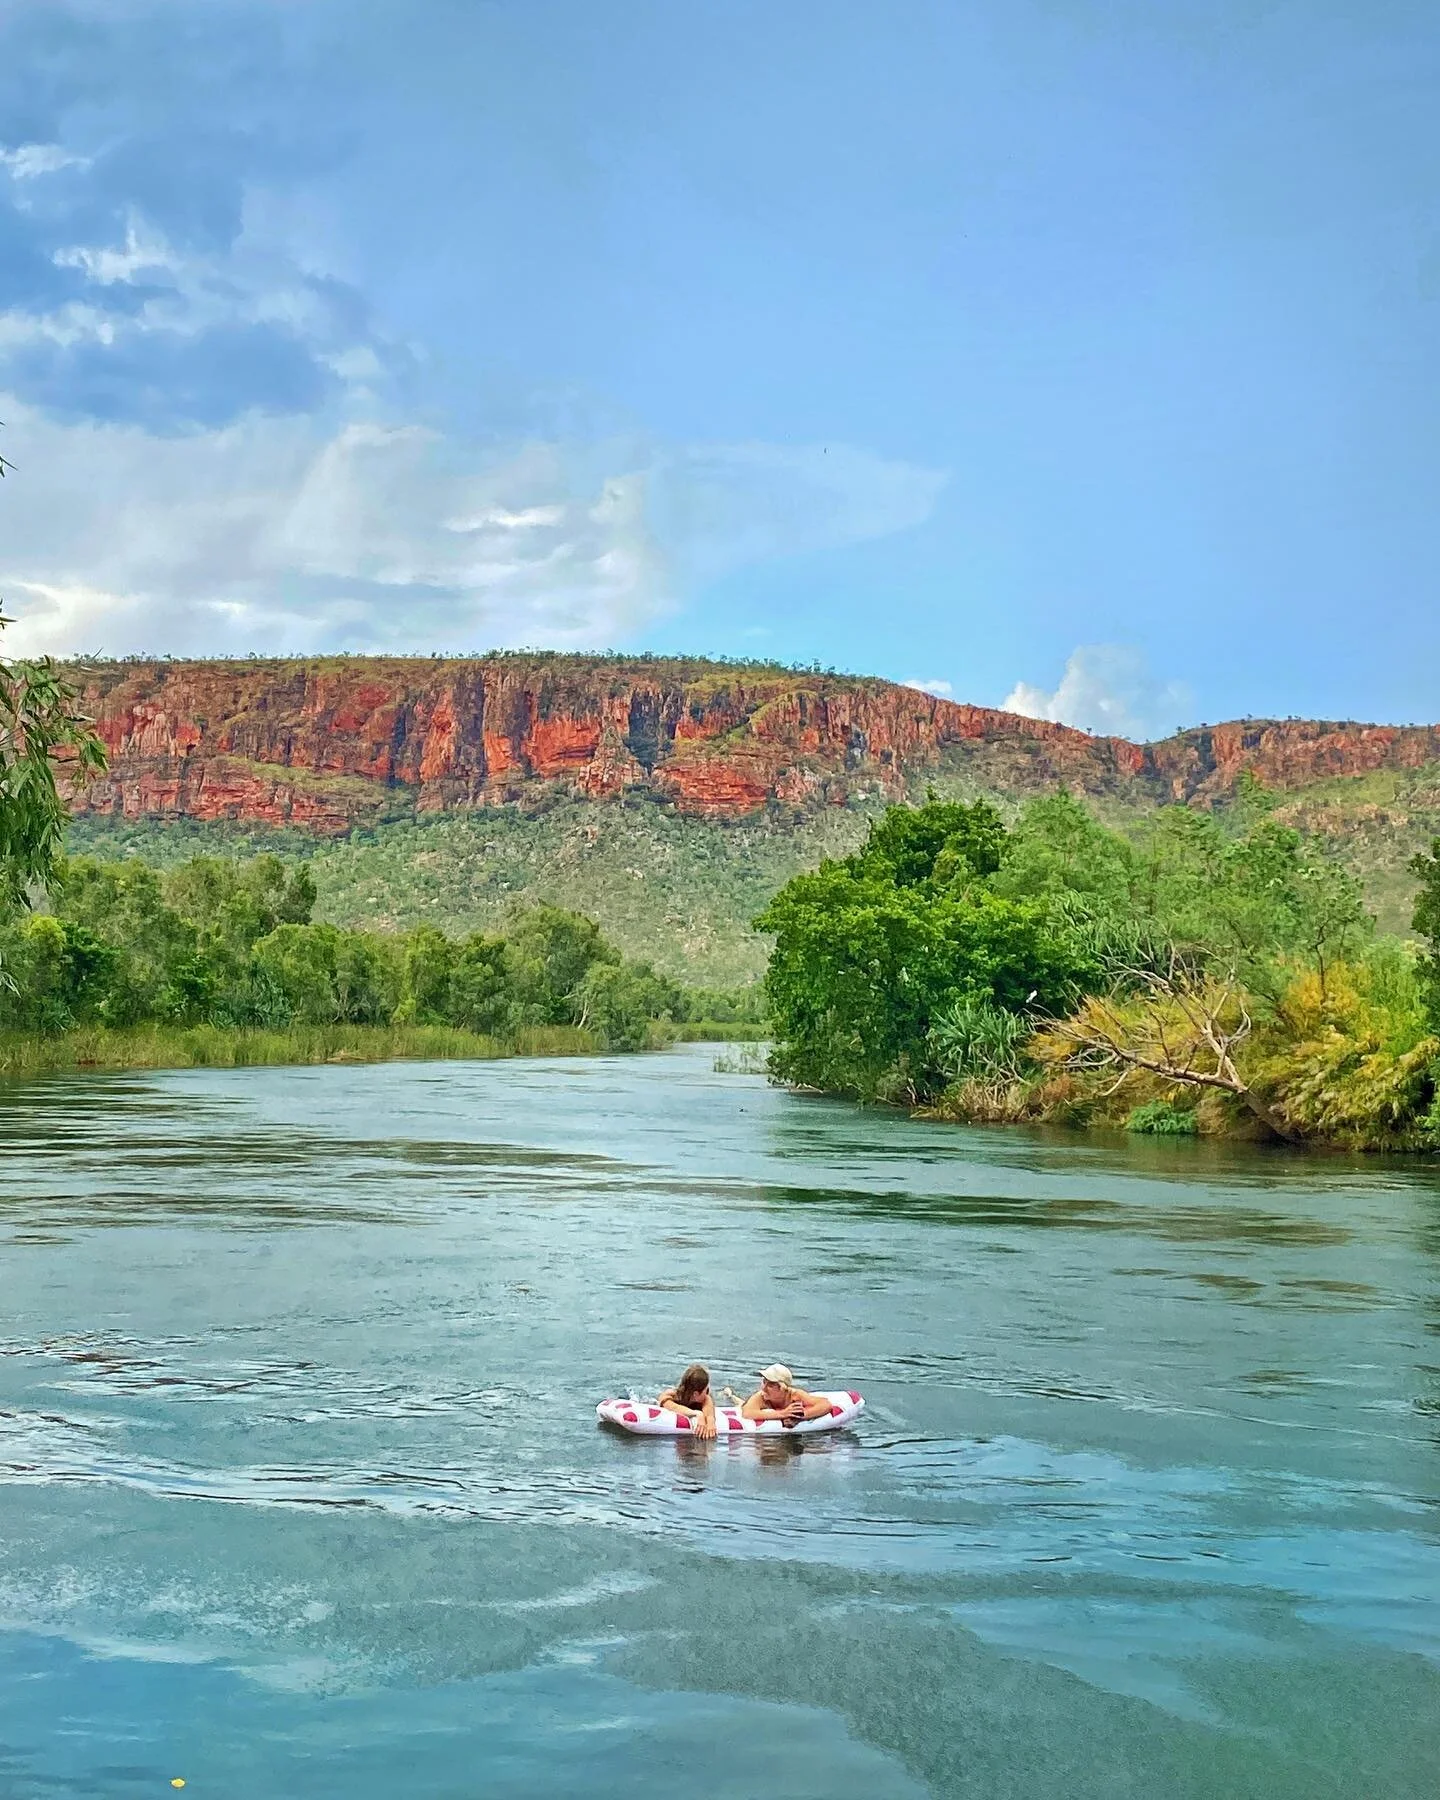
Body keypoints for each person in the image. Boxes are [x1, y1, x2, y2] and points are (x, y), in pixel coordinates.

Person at [741, 1364, 833, 1428]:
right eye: (764, 1382)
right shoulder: (760, 1397)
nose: (764, 1388)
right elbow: (747, 1413)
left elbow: (825, 1405)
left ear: (783, 1388)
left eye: (771, 1385)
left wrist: (799, 1417)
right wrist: (783, 1414)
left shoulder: (795, 1395)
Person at [658, 1362, 717, 1440]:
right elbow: (668, 1404)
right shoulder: (674, 1395)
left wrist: (710, 1420)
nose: (707, 1393)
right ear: (696, 1394)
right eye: (706, 1390)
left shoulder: (705, 1398)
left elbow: (708, 1401)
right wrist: (697, 1413)